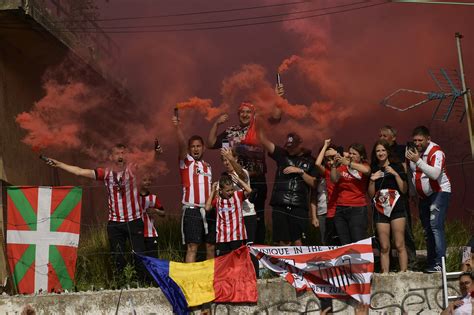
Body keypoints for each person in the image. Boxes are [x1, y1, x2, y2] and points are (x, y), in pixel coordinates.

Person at [45, 144, 146, 279]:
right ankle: (122, 284)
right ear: (111, 157)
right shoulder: (106, 173)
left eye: (123, 153)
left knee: (139, 256)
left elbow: (151, 164)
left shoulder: (133, 170)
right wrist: (59, 164)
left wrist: (157, 153)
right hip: (115, 223)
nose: (121, 156)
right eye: (117, 153)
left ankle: (143, 283)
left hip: (134, 220)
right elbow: (80, 171)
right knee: (118, 258)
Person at [206, 86, 284, 244]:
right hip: (238, 181)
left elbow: (276, 117)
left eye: (248, 112)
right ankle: (239, 247)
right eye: (242, 112)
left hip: (257, 180)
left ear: (253, 114)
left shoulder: (259, 127)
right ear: (238, 114)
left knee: (258, 216)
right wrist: (216, 123)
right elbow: (211, 143)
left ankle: (258, 250)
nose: (245, 114)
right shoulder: (231, 131)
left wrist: (278, 98)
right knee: (238, 214)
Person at [257, 125, 317, 246]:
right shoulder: (282, 154)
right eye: (288, 147)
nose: (290, 150)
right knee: (282, 241)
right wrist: (259, 123)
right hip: (280, 204)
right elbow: (264, 141)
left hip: (299, 205)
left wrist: (300, 171)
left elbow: (314, 183)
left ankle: (297, 264)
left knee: (298, 241)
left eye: (293, 147)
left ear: (300, 145)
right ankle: (283, 264)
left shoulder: (310, 160)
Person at [406, 126, 451, 273]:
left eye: (420, 140)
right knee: (427, 230)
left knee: (435, 226)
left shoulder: (436, 152)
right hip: (423, 196)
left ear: (428, 139)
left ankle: (440, 263)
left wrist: (418, 160)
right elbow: (411, 174)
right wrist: (413, 193)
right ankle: (432, 262)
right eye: (415, 140)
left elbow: (435, 174)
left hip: (439, 191)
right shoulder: (412, 153)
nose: (417, 143)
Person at [173, 115, 214, 263]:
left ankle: (210, 278)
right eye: (193, 146)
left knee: (210, 246)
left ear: (203, 148)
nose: (196, 149)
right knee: (192, 246)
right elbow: (181, 145)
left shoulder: (208, 166)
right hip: (192, 211)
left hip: (208, 211)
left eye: (198, 146)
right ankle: (190, 281)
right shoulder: (186, 163)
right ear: (190, 149)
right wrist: (177, 128)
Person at [379, 125, 417, 269]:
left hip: (400, 196)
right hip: (383, 199)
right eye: (380, 136)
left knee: (405, 232)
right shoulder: (378, 152)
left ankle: (411, 263)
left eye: (384, 136)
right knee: (384, 235)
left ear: (393, 137)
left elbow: (409, 169)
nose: (381, 138)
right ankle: (390, 264)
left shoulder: (401, 150)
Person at [368, 140, 408, 273]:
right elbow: (370, 194)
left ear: (388, 152)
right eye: (378, 150)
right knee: (384, 246)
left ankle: (403, 272)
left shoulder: (397, 166)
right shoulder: (372, 168)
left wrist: (395, 174)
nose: (380, 153)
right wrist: (372, 180)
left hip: (397, 208)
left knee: (399, 243)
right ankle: (385, 274)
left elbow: (404, 189)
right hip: (380, 210)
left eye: (383, 150)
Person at [330, 143, 371, 245]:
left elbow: (367, 171)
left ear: (361, 155)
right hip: (341, 208)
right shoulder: (343, 167)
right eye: (350, 153)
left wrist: (348, 163)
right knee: (344, 242)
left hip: (357, 208)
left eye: (354, 153)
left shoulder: (364, 165)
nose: (351, 155)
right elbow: (334, 179)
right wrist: (334, 166)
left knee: (358, 240)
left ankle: (360, 261)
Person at [205, 173, 252, 256]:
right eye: (227, 191)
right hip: (222, 236)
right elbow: (207, 208)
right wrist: (213, 191)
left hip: (236, 235)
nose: (230, 192)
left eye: (231, 189)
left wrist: (238, 180)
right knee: (225, 261)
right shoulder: (218, 200)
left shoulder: (238, 195)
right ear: (221, 190)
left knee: (237, 259)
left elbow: (249, 190)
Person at [314, 139, 340, 246]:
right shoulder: (327, 172)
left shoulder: (343, 169)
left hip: (341, 208)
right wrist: (325, 146)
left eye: (332, 158)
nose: (330, 161)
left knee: (341, 239)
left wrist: (336, 153)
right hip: (329, 210)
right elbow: (317, 163)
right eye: (327, 159)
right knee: (328, 240)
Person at [139, 174, 165, 258]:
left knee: (153, 259)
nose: (147, 182)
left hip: (151, 235)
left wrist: (155, 210)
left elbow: (163, 213)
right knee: (140, 260)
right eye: (144, 180)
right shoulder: (133, 198)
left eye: (149, 180)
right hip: (137, 235)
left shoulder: (153, 198)